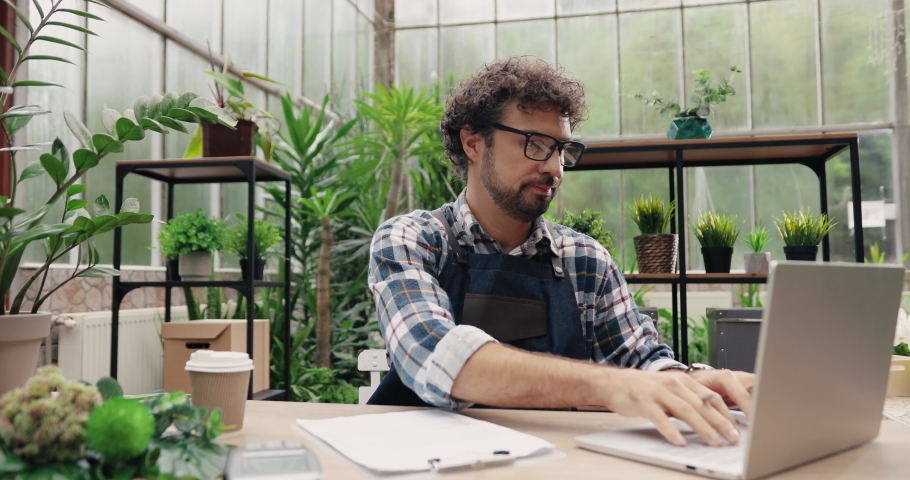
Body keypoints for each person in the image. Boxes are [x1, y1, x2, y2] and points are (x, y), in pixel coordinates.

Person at [367, 57, 754, 447]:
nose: (555, 169)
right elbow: (438, 356)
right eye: (535, 144)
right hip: (426, 462)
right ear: (473, 142)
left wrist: (691, 380)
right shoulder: (413, 240)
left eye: (562, 150)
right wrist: (608, 385)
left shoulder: (585, 260)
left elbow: (639, 359)